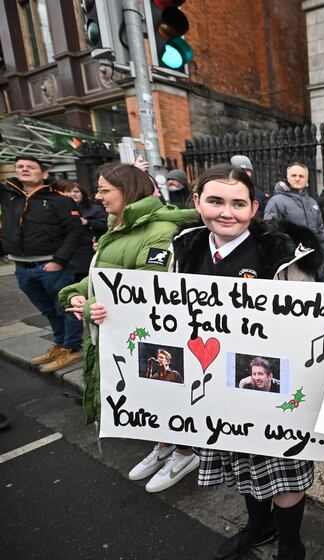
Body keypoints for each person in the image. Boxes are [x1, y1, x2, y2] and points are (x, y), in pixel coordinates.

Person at [170, 163, 322, 560]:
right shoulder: (185, 249)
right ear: (197, 201)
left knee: (285, 472)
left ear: (254, 208)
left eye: (238, 203)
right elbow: (156, 309)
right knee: (242, 466)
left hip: (273, 387)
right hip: (219, 389)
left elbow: (311, 321)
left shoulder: (281, 255)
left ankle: (291, 545)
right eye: (215, 201)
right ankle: (258, 527)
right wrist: (106, 312)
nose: (226, 212)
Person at [58, 163, 199, 493]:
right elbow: (105, 276)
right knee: (150, 396)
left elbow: (147, 293)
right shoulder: (117, 225)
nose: (97, 196)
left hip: (152, 336)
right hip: (122, 335)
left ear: (129, 192)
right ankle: (164, 446)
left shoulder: (157, 231)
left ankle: (185, 452)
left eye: (105, 190)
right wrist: (79, 295)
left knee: (167, 393)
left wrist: (96, 307)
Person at [2, 156, 85, 373]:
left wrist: (59, 261)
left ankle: (72, 347)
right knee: (48, 310)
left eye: (31, 167)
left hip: (51, 267)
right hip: (22, 267)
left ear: (44, 174)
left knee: (66, 308)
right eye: (20, 167)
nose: (25, 169)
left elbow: (75, 231)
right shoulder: (8, 196)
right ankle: (60, 344)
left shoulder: (59, 200)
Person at [264, 162, 324, 281]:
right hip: (291, 265)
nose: (297, 179)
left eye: (301, 176)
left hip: (315, 264)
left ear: (307, 180)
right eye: (293, 175)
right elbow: (270, 233)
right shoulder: (276, 201)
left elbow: (321, 234)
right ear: (287, 178)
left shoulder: (313, 203)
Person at [230, 154, 268, 219]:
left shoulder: (258, 193)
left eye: (248, 170)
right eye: (242, 170)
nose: (246, 173)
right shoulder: (224, 189)